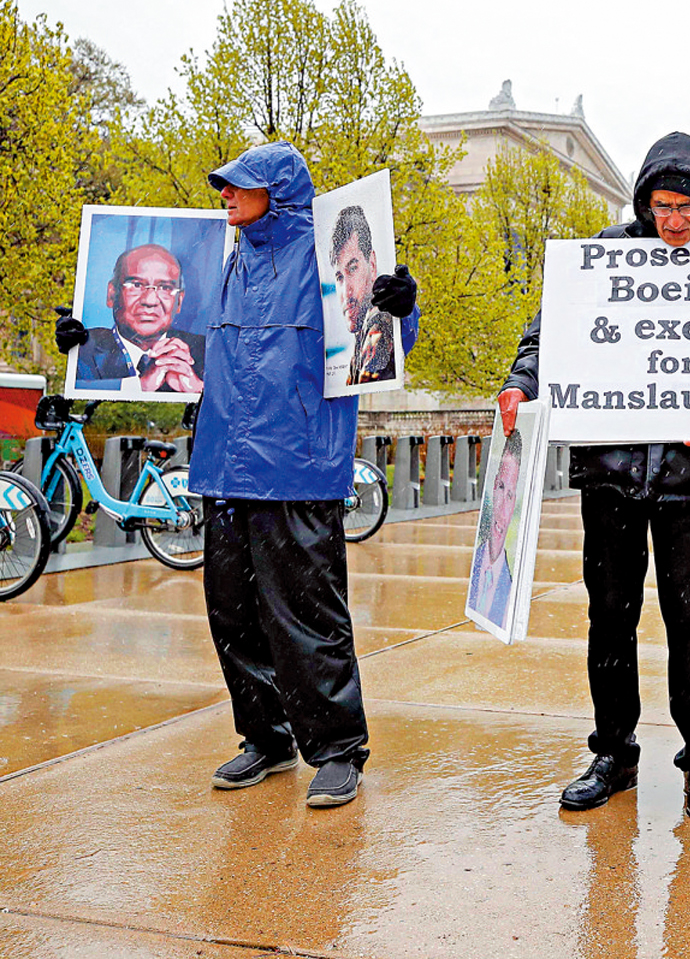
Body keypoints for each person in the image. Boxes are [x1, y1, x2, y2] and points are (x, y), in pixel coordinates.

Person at [55, 141, 420, 808]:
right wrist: (90, 344)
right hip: (225, 465)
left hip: (299, 468)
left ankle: (337, 748)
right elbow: (165, 342)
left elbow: (380, 342)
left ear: (275, 193)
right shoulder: (224, 264)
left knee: (308, 616)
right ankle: (268, 736)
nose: (225, 195)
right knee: (233, 612)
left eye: (238, 186)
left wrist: (400, 308)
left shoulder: (325, 255)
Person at [497, 131, 690, 823]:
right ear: (644, 200)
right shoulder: (600, 256)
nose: (674, 221)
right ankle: (615, 752)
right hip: (611, 472)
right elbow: (548, 331)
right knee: (610, 616)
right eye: (663, 205)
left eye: (687, 207)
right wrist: (520, 380)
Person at [67, 243, 206, 394]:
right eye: (137, 285)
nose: (150, 301)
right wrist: (139, 386)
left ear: (179, 301)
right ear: (112, 294)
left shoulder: (206, 351)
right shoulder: (83, 347)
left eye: (165, 288)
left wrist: (198, 389)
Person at [330, 205, 397, 385]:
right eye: (339, 277)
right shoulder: (361, 336)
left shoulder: (378, 322)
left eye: (353, 268)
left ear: (372, 265)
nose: (346, 292)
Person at [468, 431, 522, 630]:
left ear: (515, 501)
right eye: (500, 487)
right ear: (492, 487)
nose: (502, 510)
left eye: (510, 495)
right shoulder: (475, 563)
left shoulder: (510, 589)